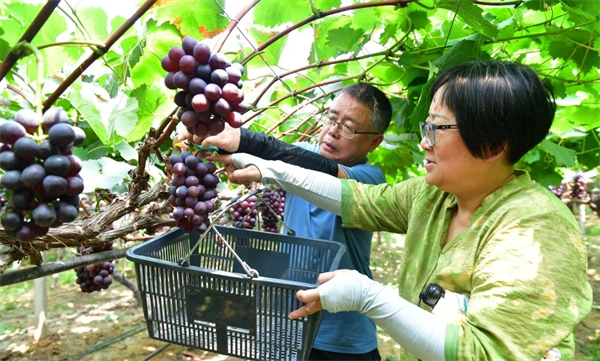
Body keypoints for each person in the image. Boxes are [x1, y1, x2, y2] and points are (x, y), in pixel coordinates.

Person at [209, 60, 593, 361]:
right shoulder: (435, 197)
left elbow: (482, 352)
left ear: (491, 144)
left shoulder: (533, 230)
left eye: (436, 129)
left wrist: (369, 297)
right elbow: (356, 199)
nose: (424, 144)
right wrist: (271, 169)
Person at [202, 84, 393, 361]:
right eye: (331, 118)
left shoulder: (370, 179)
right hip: (288, 327)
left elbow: (308, 170)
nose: (333, 131)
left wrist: (249, 144)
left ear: (374, 142)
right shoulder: (301, 155)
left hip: (343, 340)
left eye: (349, 128)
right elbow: (289, 155)